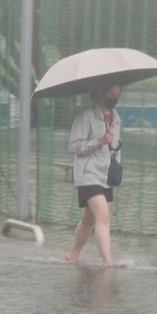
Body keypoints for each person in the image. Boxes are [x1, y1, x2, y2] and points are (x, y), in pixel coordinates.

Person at [65, 79, 121, 266]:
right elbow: (74, 146)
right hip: (88, 174)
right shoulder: (86, 116)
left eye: (117, 95)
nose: (114, 99)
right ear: (100, 93)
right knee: (103, 216)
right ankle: (107, 262)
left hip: (105, 175)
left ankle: (73, 255)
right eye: (111, 95)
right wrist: (98, 141)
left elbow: (115, 148)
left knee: (89, 220)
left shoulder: (116, 117)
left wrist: (116, 171)